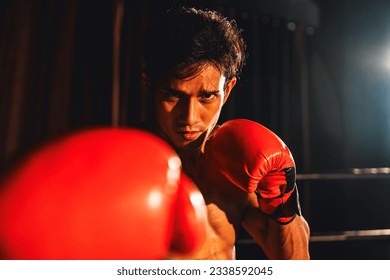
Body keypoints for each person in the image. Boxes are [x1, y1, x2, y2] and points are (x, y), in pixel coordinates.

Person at [140, 6, 310, 259]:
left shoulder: (234, 163)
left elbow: (296, 265)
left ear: (227, 90)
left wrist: (280, 195)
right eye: (173, 95)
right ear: (149, 85)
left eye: (207, 96)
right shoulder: (130, 168)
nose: (189, 118)